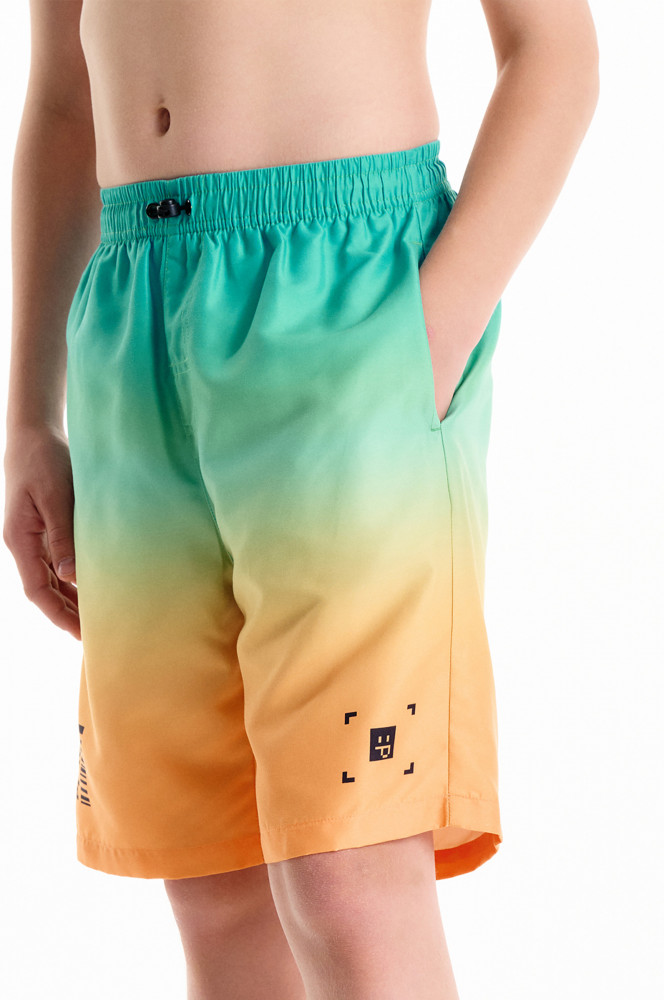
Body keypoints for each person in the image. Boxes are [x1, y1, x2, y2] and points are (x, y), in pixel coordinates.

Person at [3, 1, 599, 997]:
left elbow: (554, 50)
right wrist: (29, 413)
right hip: (131, 314)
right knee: (214, 883)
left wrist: (426, 339)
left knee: (348, 878)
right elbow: (65, 99)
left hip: (344, 286)